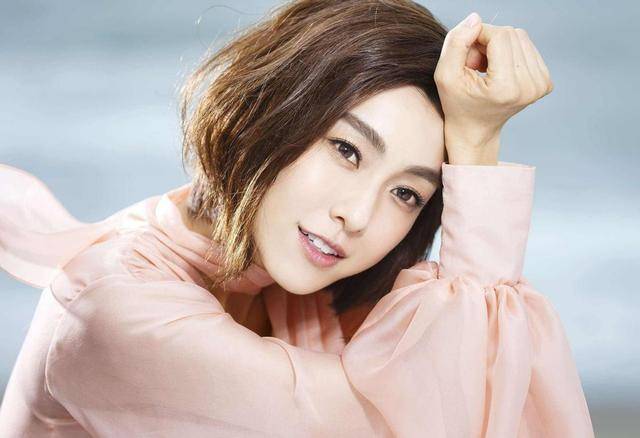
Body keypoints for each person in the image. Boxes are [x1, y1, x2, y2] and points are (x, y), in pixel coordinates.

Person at [0, 1, 594, 436]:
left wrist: (474, 147)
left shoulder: (303, 289)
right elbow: (411, 420)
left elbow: (485, 398)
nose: (356, 215)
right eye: (347, 150)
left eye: (406, 193)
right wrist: (479, 147)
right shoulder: (115, 309)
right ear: (265, 112)